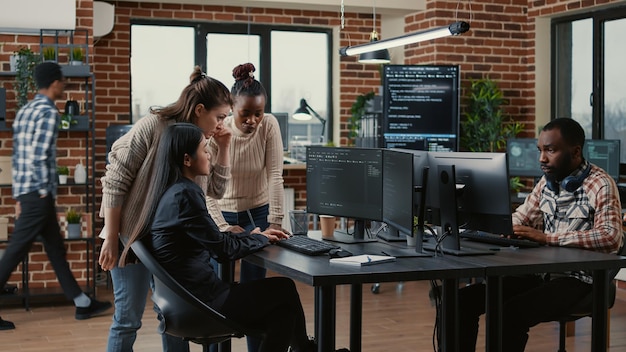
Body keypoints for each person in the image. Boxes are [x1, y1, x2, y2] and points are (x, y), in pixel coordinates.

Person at [123, 122, 325, 352]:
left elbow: (215, 240)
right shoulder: (185, 195)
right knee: (284, 289)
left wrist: (253, 235)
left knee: (283, 314)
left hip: (184, 303)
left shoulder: (169, 191)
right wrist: (260, 239)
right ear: (187, 159)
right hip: (203, 303)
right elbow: (223, 251)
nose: (209, 154)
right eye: (203, 149)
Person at [457, 117, 623, 352]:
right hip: (540, 273)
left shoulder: (601, 184)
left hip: (581, 281)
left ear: (575, 152)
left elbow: (611, 237)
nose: (541, 159)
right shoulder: (547, 184)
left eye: (550, 150)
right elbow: (522, 217)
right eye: (540, 150)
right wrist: (506, 228)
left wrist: (546, 238)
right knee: (461, 301)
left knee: (510, 313)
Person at [98, 67, 233, 352]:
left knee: (173, 317)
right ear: (199, 109)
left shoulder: (204, 141)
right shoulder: (154, 125)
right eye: (220, 116)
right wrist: (111, 238)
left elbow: (216, 192)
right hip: (131, 237)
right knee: (127, 318)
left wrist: (224, 146)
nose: (222, 124)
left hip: (170, 242)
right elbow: (115, 180)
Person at [0, 62, 111, 331]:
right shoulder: (48, 113)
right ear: (54, 84)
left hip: (30, 193)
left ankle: (82, 302)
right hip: (38, 195)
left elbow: (19, 157)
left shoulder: (26, 111)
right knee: (15, 251)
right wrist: (40, 196)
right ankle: (82, 302)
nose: (63, 85)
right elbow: (37, 157)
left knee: (55, 250)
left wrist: (19, 197)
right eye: (61, 81)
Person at [206, 63, 287, 351]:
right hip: (223, 213)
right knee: (221, 287)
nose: (253, 120)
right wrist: (224, 227)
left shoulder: (270, 125)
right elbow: (207, 190)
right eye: (245, 113)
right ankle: (219, 345)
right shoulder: (217, 130)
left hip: (259, 211)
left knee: (256, 289)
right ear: (231, 108)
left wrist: (275, 220)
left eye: (258, 113)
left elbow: (275, 174)